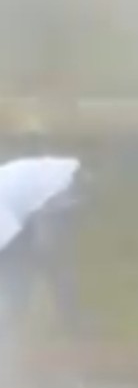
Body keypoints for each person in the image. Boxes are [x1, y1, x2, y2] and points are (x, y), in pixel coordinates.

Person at [0, 131, 87, 341]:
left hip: (61, 188)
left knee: (48, 256)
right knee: (23, 266)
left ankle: (72, 322)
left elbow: (13, 252)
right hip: (53, 184)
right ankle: (15, 324)